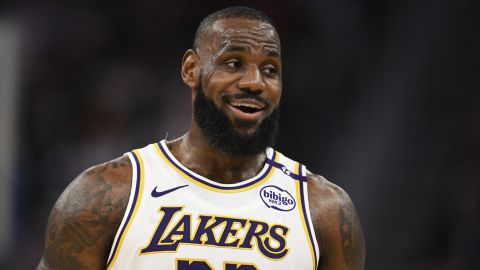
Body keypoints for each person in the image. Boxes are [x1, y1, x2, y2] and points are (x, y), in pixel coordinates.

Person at [37, 6, 365, 270]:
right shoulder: (103, 197)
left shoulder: (324, 211)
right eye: (233, 63)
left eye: (270, 69)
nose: (255, 82)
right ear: (191, 69)